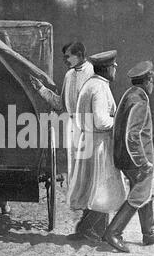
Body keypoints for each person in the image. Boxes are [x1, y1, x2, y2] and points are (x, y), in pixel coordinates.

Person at [30, 42, 106, 239]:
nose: (65, 60)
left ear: (80, 55)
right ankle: (86, 229)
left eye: (68, 57)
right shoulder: (69, 75)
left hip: (91, 129)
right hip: (74, 130)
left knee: (93, 177)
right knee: (80, 180)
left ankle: (97, 229)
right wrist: (41, 90)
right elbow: (60, 104)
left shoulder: (93, 73)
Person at [102, 61, 154, 252]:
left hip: (125, 157)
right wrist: (143, 162)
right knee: (139, 194)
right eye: (151, 80)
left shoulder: (130, 95)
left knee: (145, 192)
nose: (152, 84)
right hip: (135, 159)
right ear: (146, 81)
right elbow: (132, 135)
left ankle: (149, 233)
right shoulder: (140, 101)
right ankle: (113, 232)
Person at [67, 50, 126, 241]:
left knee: (94, 188)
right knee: (101, 188)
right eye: (114, 66)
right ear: (107, 68)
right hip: (99, 143)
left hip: (90, 141)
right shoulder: (99, 87)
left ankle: (92, 229)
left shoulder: (91, 84)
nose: (116, 69)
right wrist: (119, 121)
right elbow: (101, 121)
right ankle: (87, 229)